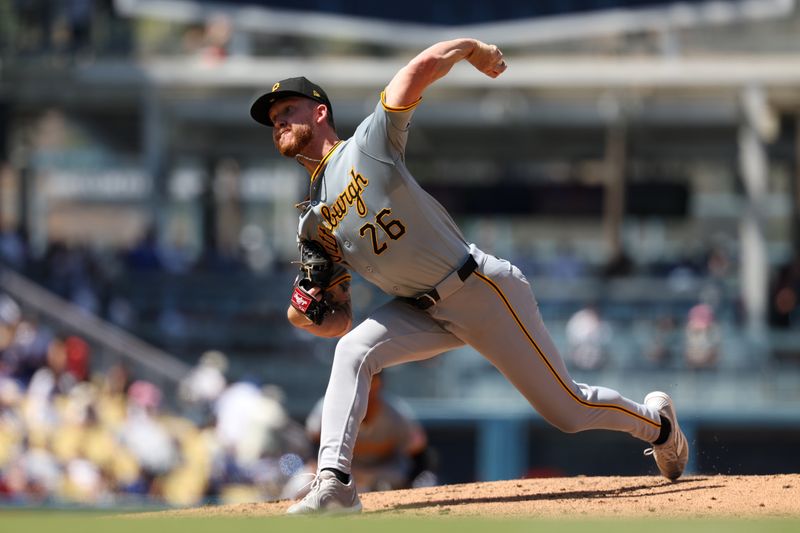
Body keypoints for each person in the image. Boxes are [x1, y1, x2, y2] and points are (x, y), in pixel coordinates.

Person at [249, 38, 688, 515]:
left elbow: (418, 69)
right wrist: (308, 315)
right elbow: (340, 321)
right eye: (273, 121)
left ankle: (659, 425)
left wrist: (471, 49)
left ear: (319, 113)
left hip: (479, 289)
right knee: (351, 350)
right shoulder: (313, 223)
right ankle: (334, 483)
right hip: (421, 309)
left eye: (287, 110)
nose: (279, 123)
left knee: (569, 410)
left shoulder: (368, 144)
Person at [282, 373, 434, 499]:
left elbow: (420, 454)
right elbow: (313, 442)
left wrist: (407, 483)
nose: (366, 392)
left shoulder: (396, 414)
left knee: (425, 483)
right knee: (297, 488)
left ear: (379, 386)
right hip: (340, 471)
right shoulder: (330, 407)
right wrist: (319, 469)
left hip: (382, 471)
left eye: (371, 385)